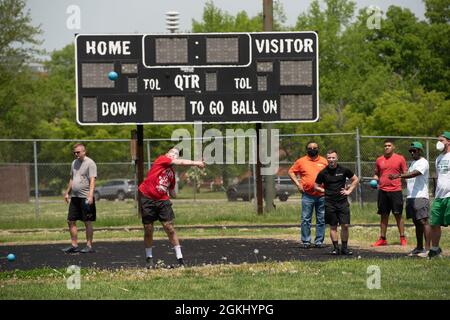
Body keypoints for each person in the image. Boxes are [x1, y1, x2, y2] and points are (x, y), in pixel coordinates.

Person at [139, 147, 205, 269]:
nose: (174, 155)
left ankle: (180, 260)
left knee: (169, 228)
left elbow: (172, 191)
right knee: (148, 229)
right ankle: (149, 259)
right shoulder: (161, 159)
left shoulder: (171, 174)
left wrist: (186, 187)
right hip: (147, 198)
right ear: (167, 154)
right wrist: (196, 163)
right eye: (172, 152)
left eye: (176, 154)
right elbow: (180, 162)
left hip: (162, 201)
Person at [389, 142, 430, 257]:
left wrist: (398, 176)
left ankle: (427, 249)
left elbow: (415, 174)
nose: (412, 152)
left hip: (421, 196)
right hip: (411, 196)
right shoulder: (413, 163)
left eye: (415, 150)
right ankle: (419, 247)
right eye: (411, 151)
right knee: (417, 223)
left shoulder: (423, 162)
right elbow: (409, 176)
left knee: (424, 221)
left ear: (420, 151)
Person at [314, 150, 359, 255]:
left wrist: (349, 191)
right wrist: (325, 191)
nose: (331, 160)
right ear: (327, 159)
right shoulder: (323, 172)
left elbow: (356, 179)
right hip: (329, 202)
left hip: (342, 202)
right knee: (333, 226)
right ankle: (335, 248)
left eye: (333, 158)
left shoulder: (344, 170)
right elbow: (316, 186)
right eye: (329, 158)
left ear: (337, 158)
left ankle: (345, 248)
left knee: (345, 225)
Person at [288, 141, 328, 248]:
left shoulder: (324, 161)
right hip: (307, 195)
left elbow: (330, 174)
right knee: (306, 219)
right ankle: (306, 241)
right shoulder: (301, 161)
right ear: (307, 149)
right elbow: (291, 172)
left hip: (322, 195)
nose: (313, 149)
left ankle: (319, 241)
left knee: (321, 219)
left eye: (315, 147)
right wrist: (298, 184)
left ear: (318, 149)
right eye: (310, 148)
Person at [62, 143, 97, 253]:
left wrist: (90, 195)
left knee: (87, 221)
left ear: (84, 152)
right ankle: (74, 245)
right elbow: (72, 178)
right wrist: (67, 192)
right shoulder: (74, 163)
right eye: (74, 152)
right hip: (75, 197)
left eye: (78, 152)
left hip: (85, 197)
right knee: (70, 220)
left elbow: (92, 180)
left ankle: (89, 246)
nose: (76, 154)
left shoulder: (90, 163)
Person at [372, 139, 408, 247]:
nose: (386, 147)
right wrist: (374, 180)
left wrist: (408, 186)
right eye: (385, 146)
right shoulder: (379, 160)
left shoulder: (400, 158)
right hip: (383, 191)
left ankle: (402, 238)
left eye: (389, 145)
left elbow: (405, 173)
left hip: (396, 191)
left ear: (393, 147)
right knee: (384, 215)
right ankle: (382, 239)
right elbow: (376, 174)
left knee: (398, 215)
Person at [428, 131, 450, 258]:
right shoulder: (438, 158)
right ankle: (435, 250)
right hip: (439, 196)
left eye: (441, 140)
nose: (439, 143)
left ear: (448, 141)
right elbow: (439, 177)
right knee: (434, 223)